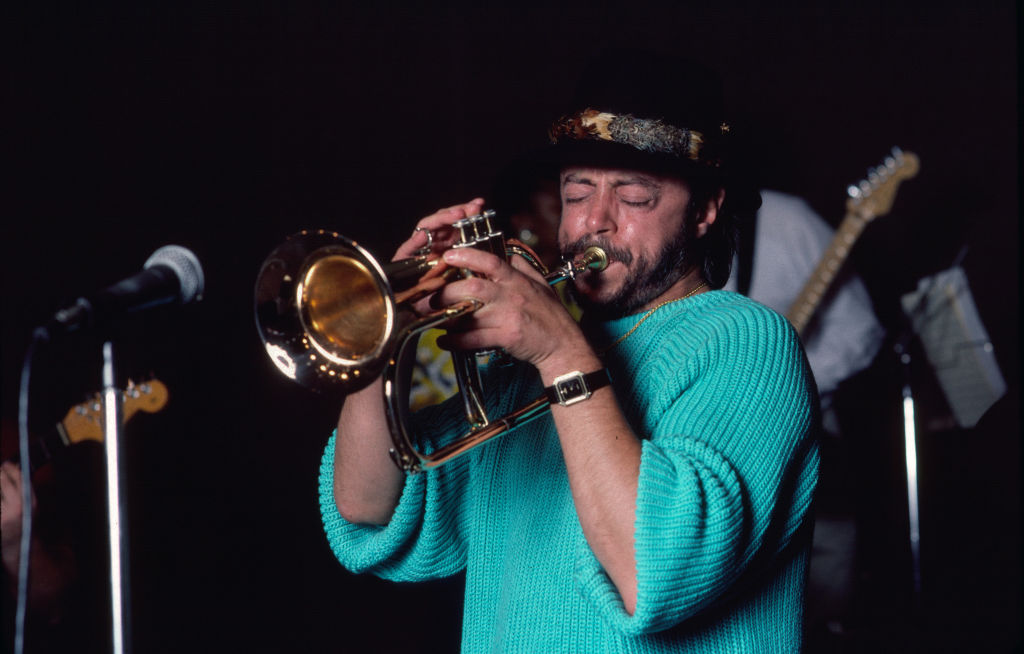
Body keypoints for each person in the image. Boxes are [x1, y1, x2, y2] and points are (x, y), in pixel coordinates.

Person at [318, 49, 819, 652]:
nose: (595, 223)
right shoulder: (520, 366)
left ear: (706, 209)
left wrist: (560, 354)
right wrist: (377, 328)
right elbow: (367, 506)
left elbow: (654, 570)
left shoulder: (746, 340)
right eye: (578, 193)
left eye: (634, 196)